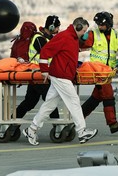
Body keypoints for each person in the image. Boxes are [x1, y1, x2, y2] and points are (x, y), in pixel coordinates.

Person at [23, 17, 98, 146]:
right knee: (73, 101)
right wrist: (44, 70)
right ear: (78, 27)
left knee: (49, 105)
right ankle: (82, 131)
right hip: (60, 75)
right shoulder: (65, 37)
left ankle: (32, 129)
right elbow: (45, 51)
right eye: (84, 30)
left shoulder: (73, 38)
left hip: (62, 75)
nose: (84, 33)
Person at [80, 11, 118, 134]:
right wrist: (81, 39)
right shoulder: (93, 34)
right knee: (108, 95)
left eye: (101, 24)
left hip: (108, 72)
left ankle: (77, 118)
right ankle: (113, 124)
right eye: (98, 24)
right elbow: (81, 46)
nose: (99, 27)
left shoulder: (117, 36)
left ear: (108, 24)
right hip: (97, 72)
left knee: (96, 98)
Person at [14, 16, 61, 120]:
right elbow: (50, 53)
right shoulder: (39, 39)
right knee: (49, 98)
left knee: (30, 102)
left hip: (38, 74)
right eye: (57, 27)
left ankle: (13, 121)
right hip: (38, 74)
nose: (58, 30)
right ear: (51, 26)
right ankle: (57, 125)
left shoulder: (47, 38)